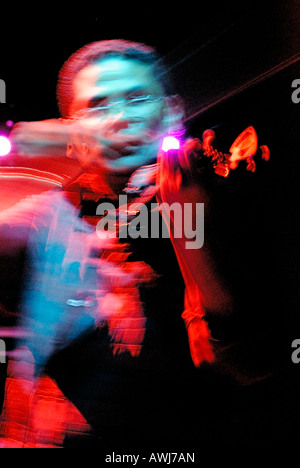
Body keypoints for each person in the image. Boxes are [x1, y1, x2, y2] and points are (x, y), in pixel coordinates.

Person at [0, 39, 241, 448]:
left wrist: (189, 227)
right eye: (97, 107)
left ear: (173, 112)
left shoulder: (214, 201)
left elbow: (242, 361)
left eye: (137, 98)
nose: (118, 118)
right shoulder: (45, 213)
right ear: (71, 133)